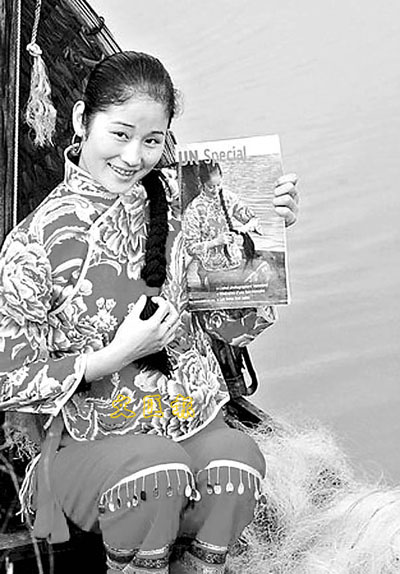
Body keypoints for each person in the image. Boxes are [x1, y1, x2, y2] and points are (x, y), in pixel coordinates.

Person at [0, 51, 299, 574]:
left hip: (191, 423)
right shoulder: (35, 242)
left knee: (239, 464)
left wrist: (269, 236)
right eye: (120, 134)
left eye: (152, 141)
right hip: (91, 446)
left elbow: (231, 326)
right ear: (81, 120)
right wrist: (115, 355)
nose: (133, 156)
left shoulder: (188, 204)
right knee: (156, 473)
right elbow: (9, 380)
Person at [183, 161, 271, 290]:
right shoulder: (194, 209)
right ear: (202, 183)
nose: (216, 190)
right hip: (211, 269)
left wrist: (242, 230)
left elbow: (254, 220)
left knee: (264, 271)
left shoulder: (228, 197)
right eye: (211, 186)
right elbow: (190, 248)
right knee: (250, 281)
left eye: (218, 185)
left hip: (235, 262)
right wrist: (215, 242)